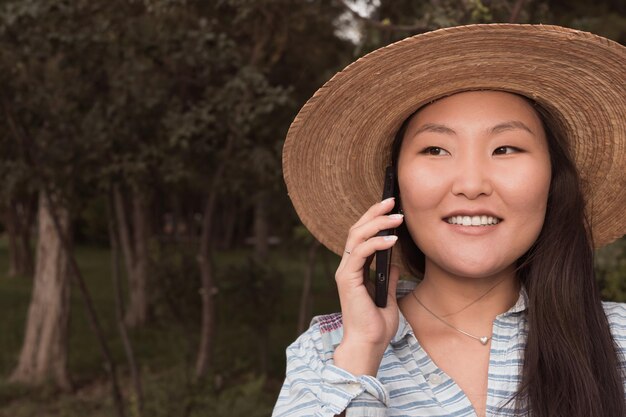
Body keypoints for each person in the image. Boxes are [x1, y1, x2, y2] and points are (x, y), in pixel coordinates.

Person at [274, 24, 626, 417]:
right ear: (396, 186)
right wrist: (362, 352)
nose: (471, 184)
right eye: (436, 149)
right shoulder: (327, 352)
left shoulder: (620, 342)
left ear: (553, 179)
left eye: (505, 148)